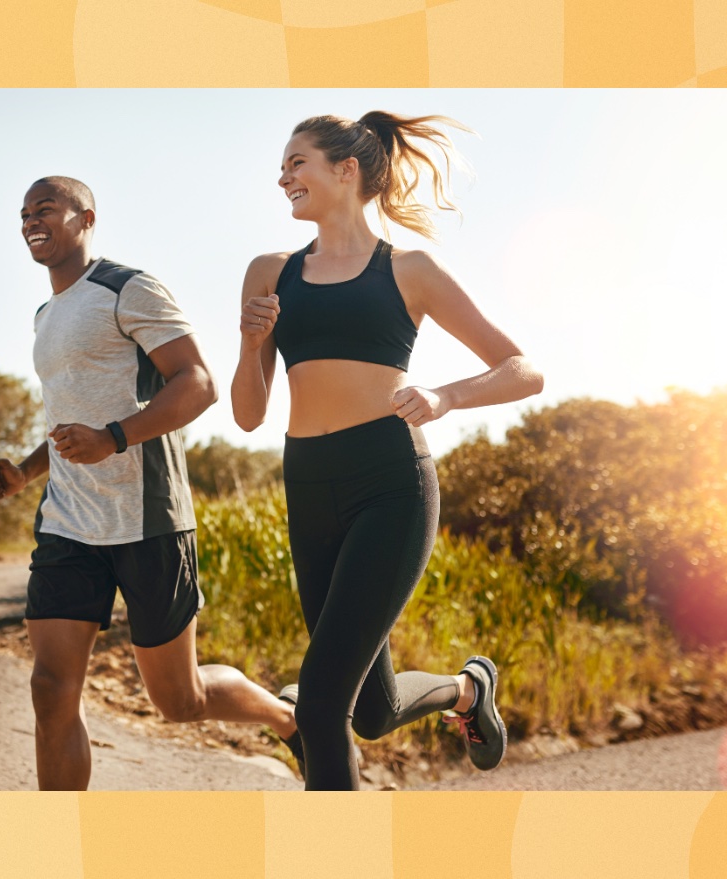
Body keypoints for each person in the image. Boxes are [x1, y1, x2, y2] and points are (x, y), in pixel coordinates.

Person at [231, 112, 544, 790]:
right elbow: (249, 414)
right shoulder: (269, 271)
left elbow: (523, 369)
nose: (283, 176)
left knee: (317, 703)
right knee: (371, 710)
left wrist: (445, 397)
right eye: (282, 166)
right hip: (308, 484)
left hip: (389, 483)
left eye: (297, 162)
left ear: (346, 171)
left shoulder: (409, 270)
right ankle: (468, 689)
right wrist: (252, 344)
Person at [0, 176, 302, 790]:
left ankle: (289, 720)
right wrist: (25, 472)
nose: (30, 220)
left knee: (178, 701)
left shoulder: (127, 287)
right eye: (23, 213)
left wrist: (114, 437)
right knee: (51, 691)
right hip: (69, 522)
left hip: (147, 518)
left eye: (45, 208)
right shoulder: (45, 314)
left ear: (86, 217)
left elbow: (198, 383)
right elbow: (64, 419)